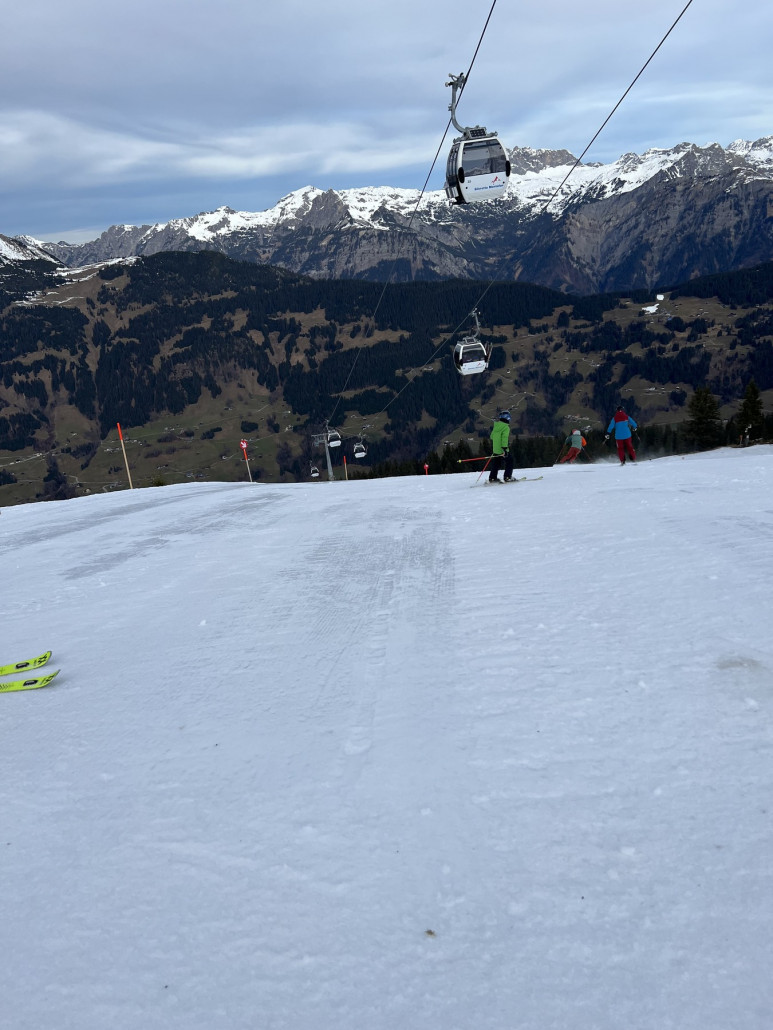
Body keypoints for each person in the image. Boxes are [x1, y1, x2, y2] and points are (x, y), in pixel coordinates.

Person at [488, 411, 514, 483]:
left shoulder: (496, 426)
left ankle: (492, 478)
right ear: (507, 418)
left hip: (496, 450)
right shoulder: (506, 427)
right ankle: (507, 477)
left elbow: (492, 437)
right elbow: (504, 438)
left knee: (496, 463)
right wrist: (505, 449)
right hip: (502, 449)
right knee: (510, 461)